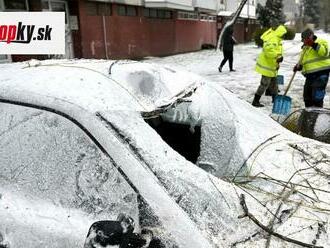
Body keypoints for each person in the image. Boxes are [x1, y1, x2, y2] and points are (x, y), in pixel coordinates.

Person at [252, 24, 287, 107]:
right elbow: (268, 51)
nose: (284, 36)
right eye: (284, 34)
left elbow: (277, 51)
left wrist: (277, 61)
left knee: (274, 84)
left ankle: (275, 100)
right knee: (264, 84)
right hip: (267, 66)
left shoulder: (277, 39)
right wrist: (277, 57)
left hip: (272, 66)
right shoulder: (273, 39)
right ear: (280, 33)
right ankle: (255, 100)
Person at [293, 28, 330, 108]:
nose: (303, 41)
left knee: (317, 97)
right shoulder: (305, 47)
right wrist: (299, 66)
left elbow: (324, 52)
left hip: (321, 74)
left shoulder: (321, 41)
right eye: (303, 40)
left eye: (305, 39)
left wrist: (313, 44)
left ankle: (317, 116)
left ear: (310, 37)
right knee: (307, 96)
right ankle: (309, 115)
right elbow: (305, 60)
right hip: (310, 76)